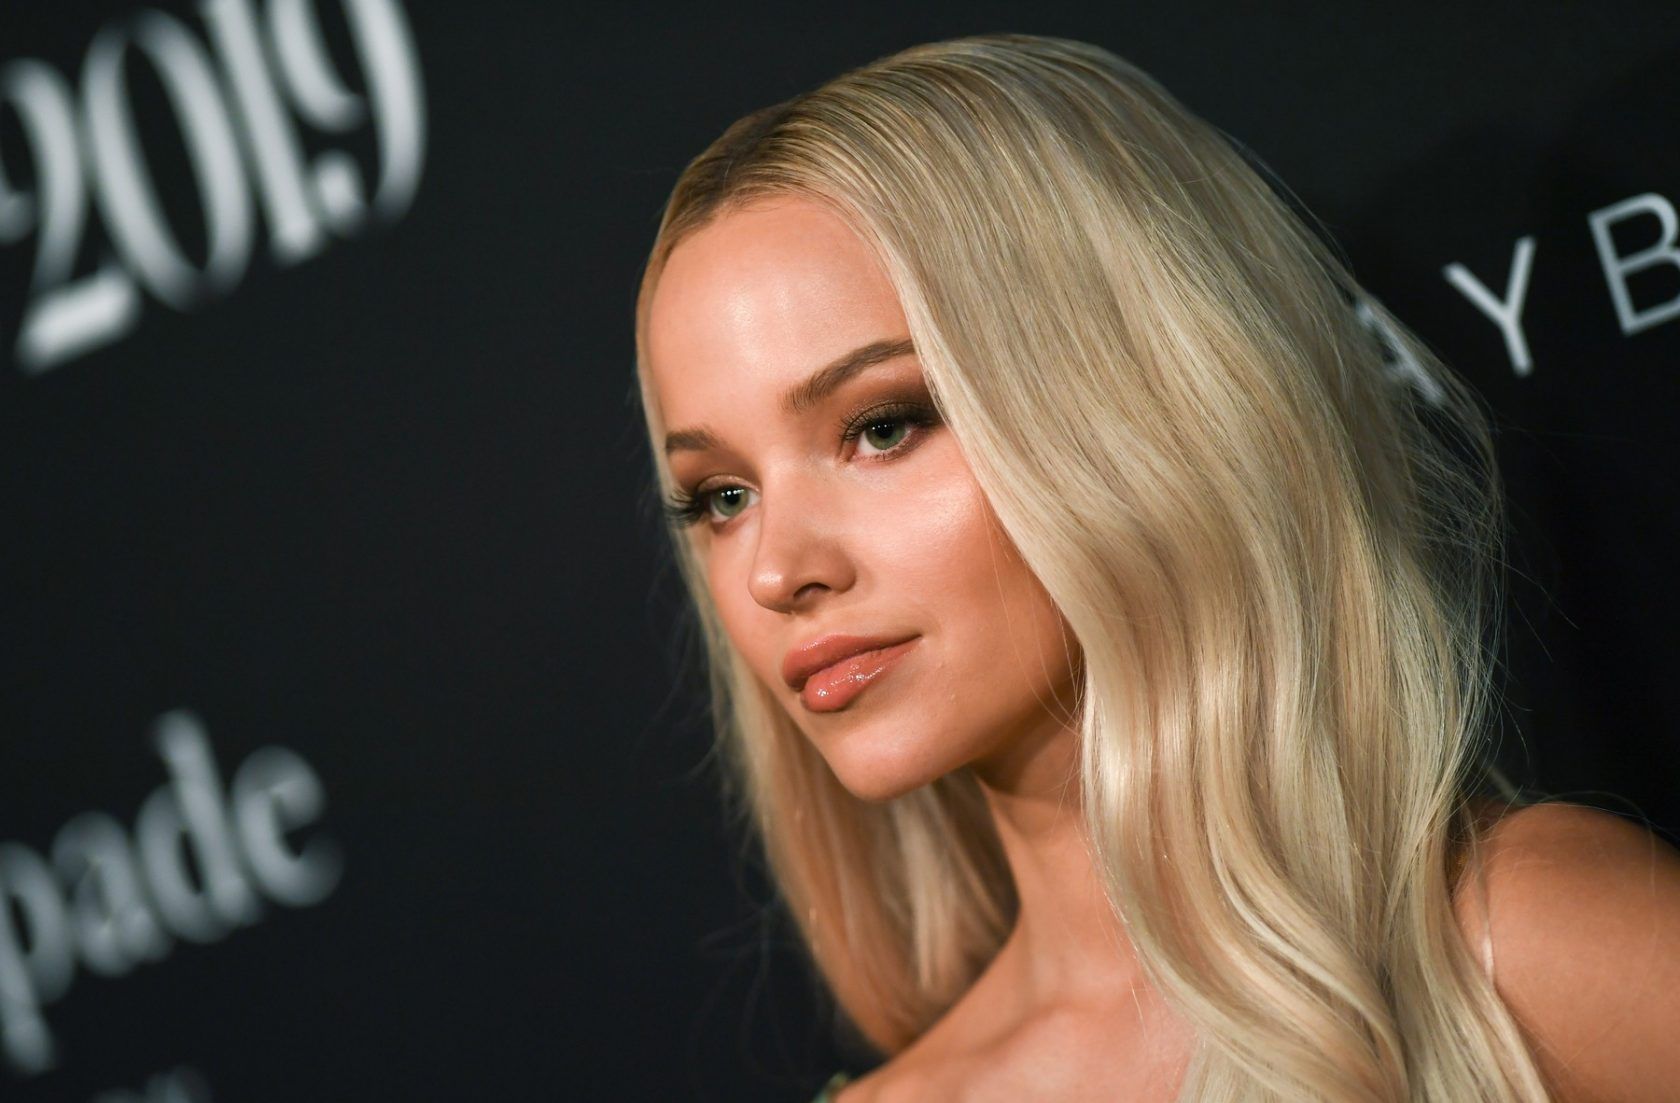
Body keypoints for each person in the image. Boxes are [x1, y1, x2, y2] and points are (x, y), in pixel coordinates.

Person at [631, 32, 1680, 1102]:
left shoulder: (1523, 951)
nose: (776, 572)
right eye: (722, 496)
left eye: (883, 426)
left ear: (1130, 405)